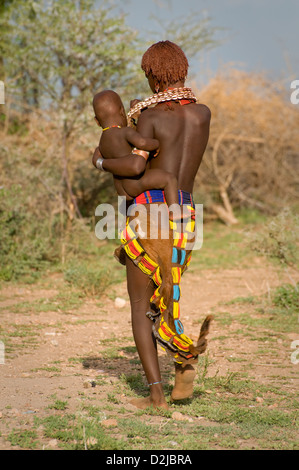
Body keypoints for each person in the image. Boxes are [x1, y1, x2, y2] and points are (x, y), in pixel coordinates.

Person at [92, 40, 212, 410]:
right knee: (169, 291)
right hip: (187, 213)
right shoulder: (203, 113)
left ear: (154, 75)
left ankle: (156, 394)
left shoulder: (150, 117)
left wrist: (99, 161)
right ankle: (182, 363)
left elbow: (136, 166)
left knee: (141, 303)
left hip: (150, 213)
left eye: (147, 75)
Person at [93, 89, 180, 212]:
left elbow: (97, 159)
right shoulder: (125, 132)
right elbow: (142, 142)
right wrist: (156, 144)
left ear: (97, 121)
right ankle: (174, 211)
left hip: (121, 190)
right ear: (122, 112)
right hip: (136, 183)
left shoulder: (102, 142)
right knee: (169, 179)